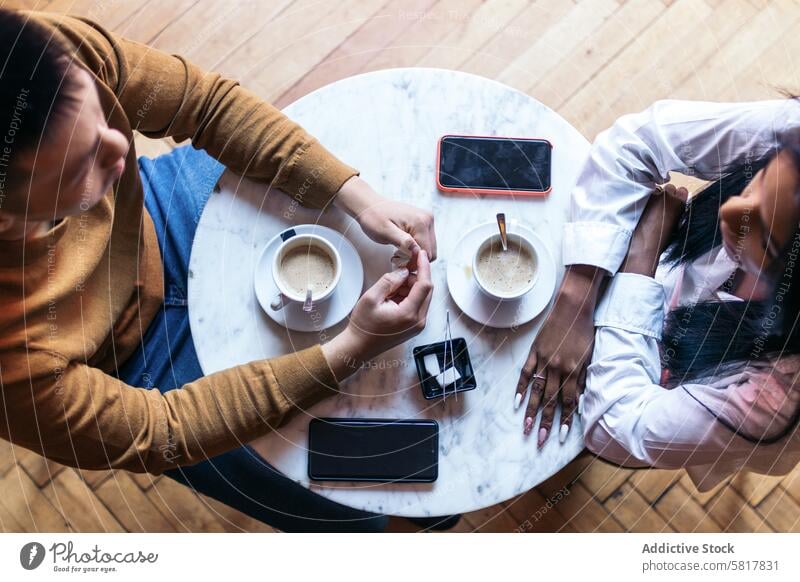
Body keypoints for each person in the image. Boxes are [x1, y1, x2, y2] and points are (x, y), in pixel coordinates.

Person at [0, 9, 438, 531]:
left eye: (101, 113)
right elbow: (164, 429)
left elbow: (203, 105)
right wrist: (350, 349)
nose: (122, 145)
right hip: (136, 368)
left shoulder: (37, 55)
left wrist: (356, 196)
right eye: (82, 164)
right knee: (353, 505)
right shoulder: (13, 365)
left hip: (159, 210)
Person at [514, 97, 800, 490]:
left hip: (668, 390)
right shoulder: (795, 129)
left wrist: (640, 259)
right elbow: (637, 141)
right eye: (760, 178)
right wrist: (577, 295)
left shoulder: (777, 398)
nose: (729, 212)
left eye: (763, 236)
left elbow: (617, 428)